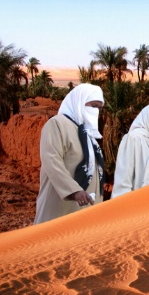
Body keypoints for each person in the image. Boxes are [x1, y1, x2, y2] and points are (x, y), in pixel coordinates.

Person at [34, 83, 105, 224]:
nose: (96, 111)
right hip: (60, 209)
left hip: (85, 212)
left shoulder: (89, 134)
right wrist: (73, 191)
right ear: (79, 101)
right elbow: (51, 161)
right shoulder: (57, 124)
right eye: (93, 105)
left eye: (99, 108)